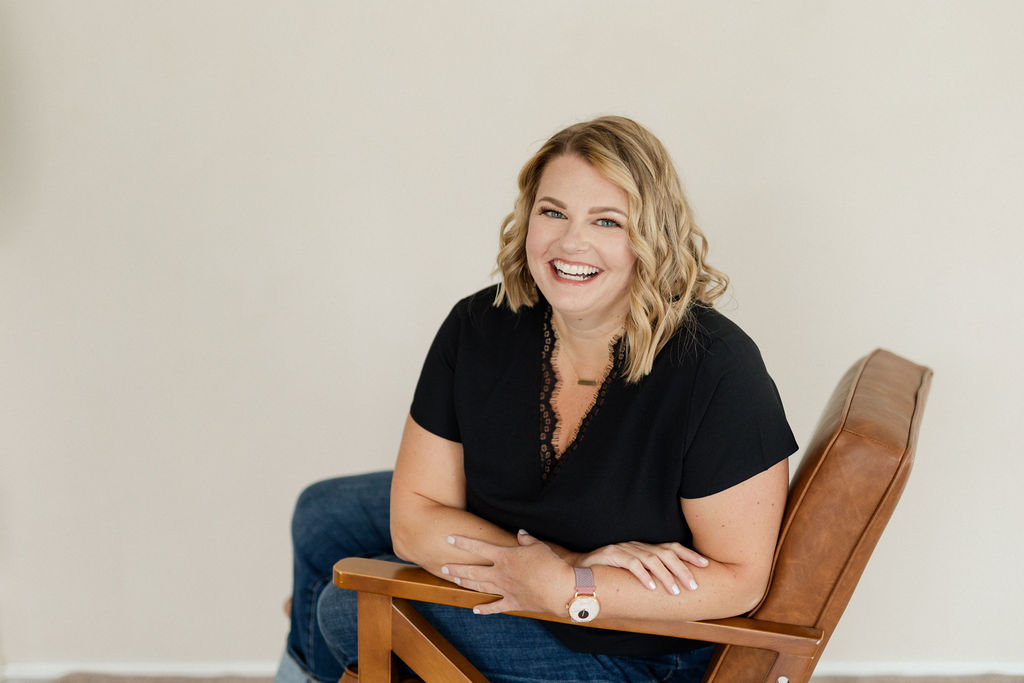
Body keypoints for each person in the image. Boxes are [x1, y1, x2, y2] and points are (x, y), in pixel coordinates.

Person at [276, 116, 798, 683]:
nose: (571, 243)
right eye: (553, 212)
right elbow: (415, 515)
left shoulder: (716, 368)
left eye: (607, 220)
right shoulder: (480, 324)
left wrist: (574, 590)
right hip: (550, 556)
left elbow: (742, 578)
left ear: (652, 237)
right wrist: (563, 566)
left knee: (347, 603)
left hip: (634, 641)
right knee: (325, 516)